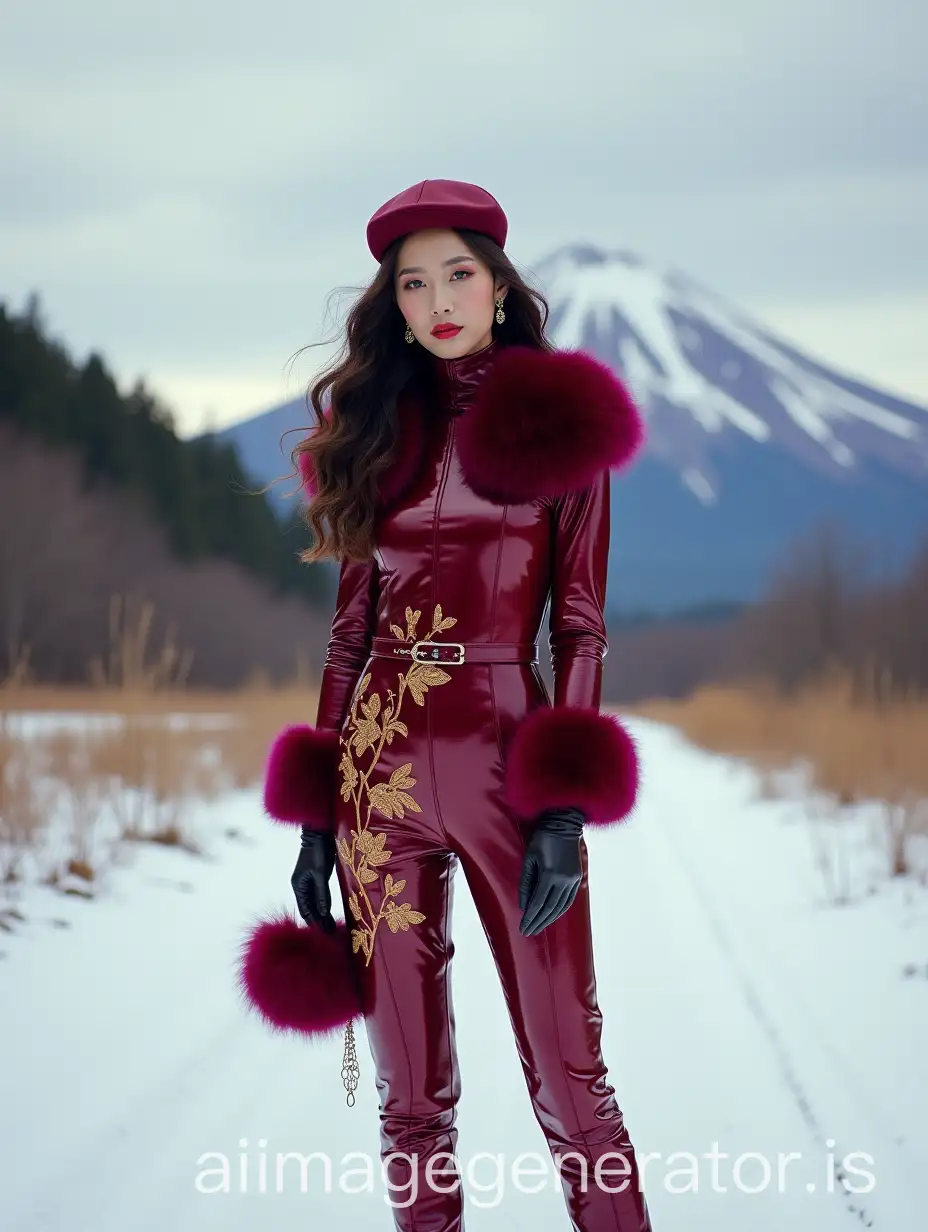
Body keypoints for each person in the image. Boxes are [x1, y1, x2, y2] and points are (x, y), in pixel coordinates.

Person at [239, 178, 653, 1231]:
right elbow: (347, 631)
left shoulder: (557, 418)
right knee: (409, 1102)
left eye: (457, 274)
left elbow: (581, 621)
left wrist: (564, 806)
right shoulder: (376, 423)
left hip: (510, 770)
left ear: (499, 285)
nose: (437, 299)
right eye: (413, 282)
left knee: (570, 1079)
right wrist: (316, 812)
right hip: (378, 781)